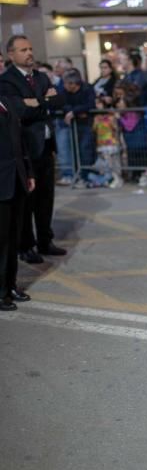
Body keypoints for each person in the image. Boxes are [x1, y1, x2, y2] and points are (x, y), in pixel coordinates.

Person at [0, 35, 67, 263]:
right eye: (23, 50)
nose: (29, 53)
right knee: (26, 200)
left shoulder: (40, 77)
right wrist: (41, 102)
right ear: (11, 54)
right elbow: (19, 111)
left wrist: (36, 102)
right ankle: (26, 245)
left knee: (46, 196)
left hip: (46, 146)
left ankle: (45, 240)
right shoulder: (7, 80)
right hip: (26, 149)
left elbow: (59, 101)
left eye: (30, 48)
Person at [0, 95, 35, 309]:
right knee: (0, 241)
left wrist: (29, 172)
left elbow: (20, 141)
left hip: (16, 179)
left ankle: (10, 285)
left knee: (13, 238)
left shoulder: (6, 101)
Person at [62, 68, 96, 187]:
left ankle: (85, 176)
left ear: (73, 84)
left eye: (66, 83)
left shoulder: (87, 88)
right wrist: (74, 112)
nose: (64, 86)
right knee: (75, 151)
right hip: (74, 124)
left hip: (86, 124)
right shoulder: (66, 92)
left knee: (85, 150)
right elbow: (64, 104)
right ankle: (77, 174)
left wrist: (73, 112)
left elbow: (90, 105)